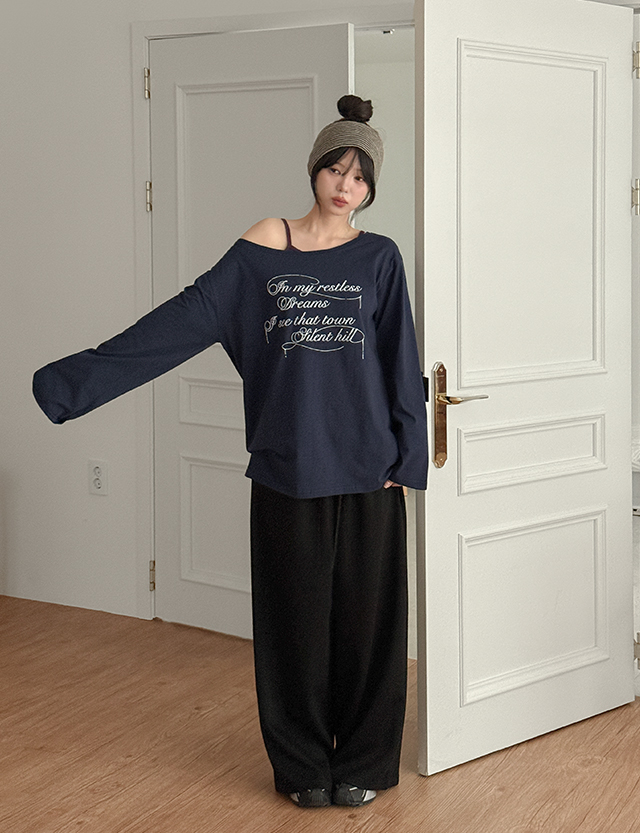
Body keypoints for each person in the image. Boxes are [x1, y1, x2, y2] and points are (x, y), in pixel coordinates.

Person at [32, 95, 428, 809]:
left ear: (371, 188)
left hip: (370, 468)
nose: (345, 185)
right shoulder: (264, 247)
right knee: (292, 630)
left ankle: (365, 761)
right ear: (314, 169)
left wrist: (408, 458)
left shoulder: (379, 257)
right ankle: (303, 768)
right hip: (287, 465)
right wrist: (74, 382)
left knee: (368, 628)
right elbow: (182, 321)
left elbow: (400, 359)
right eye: (335, 169)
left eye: (360, 177)